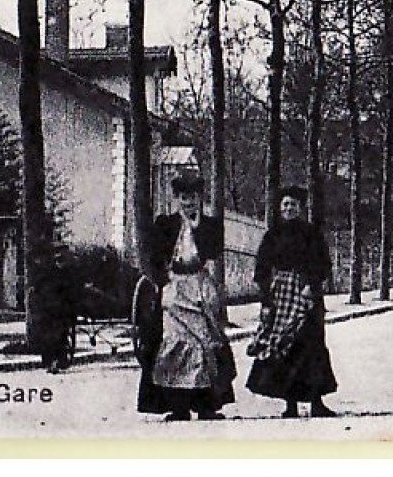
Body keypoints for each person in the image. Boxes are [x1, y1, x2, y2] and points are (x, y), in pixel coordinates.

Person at [138, 172, 235, 421]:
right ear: (176, 199)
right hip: (175, 287)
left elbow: (213, 252)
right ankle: (178, 405)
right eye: (184, 198)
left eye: (192, 198)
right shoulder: (165, 224)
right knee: (176, 344)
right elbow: (152, 255)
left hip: (200, 285)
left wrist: (197, 227)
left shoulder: (210, 225)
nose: (188, 204)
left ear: (199, 198)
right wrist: (163, 280)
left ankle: (205, 405)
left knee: (205, 342)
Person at [245, 184, 338, 418]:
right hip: (281, 297)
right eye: (285, 204)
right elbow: (262, 268)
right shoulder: (272, 235)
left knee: (312, 346)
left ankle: (316, 402)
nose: (289, 209)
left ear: (301, 208)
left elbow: (323, 264)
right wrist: (267, 295)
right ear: (279, 208)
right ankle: (290, 404)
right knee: (285, 347)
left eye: (293, 205)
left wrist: (311, 286)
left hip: (307, 295)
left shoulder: (312, 234)